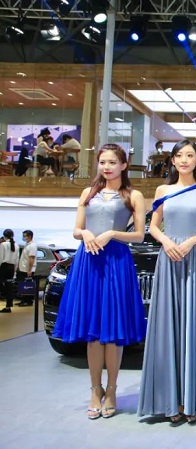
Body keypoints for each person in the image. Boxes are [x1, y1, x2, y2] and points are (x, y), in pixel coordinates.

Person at [52, 144, 147, 419]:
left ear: (124, 165)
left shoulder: (134, 195)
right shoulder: (88, 193)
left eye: (112, 162)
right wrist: (86, 234)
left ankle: (112, 390)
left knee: (113, 332)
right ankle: (96, 390)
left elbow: (139, 235)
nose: (107, 167)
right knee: (93, 331)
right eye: (103, 162)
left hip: (116, 261)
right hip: (89, 260)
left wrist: (112, 234)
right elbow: (77, 229)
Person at [138, 139, 196, 424]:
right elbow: (152, 226)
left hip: (194, 257)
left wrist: (191, 242)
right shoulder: (163, 190)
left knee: (193, 325)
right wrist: (166, 242)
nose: (184, 160)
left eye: (190, 155)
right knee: (169, 325)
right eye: (179, 155)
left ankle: (193, 399)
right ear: (173, 160)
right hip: (168, 257)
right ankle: (169, 400)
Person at [0, 229, 20, 314]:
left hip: (4, 267)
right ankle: (8, 306)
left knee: (3, 285)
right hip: (11, 268)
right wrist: (15, 270)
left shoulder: (3, 244)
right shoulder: (16, 245)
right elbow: (17, 259)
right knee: (9, 287)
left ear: (4, 236)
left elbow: (1, 258)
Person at [16, 230, 37, 307]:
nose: (23, 237)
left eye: (24, 236)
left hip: (27, 270)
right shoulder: (27, 245)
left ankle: (28, 301)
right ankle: (23, 300)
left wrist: (29, 270)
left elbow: (31, 258)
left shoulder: (32, 246)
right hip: (23, 269)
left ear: (30, 236)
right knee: (23, 285)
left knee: (28, 286)